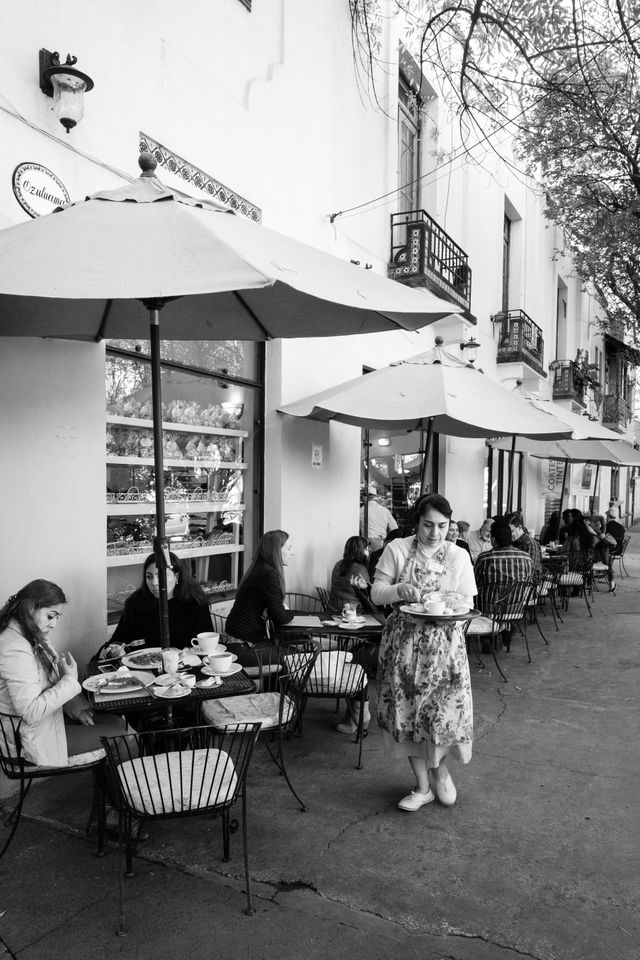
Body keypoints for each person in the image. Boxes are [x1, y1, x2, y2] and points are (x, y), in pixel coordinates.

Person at [371, 493, 476, 811]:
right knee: (408, 714)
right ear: (416, 522)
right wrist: (398, 590)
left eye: (442, 526)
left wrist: (456, 602)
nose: (435, 533)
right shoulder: (398, 549)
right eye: (428, 525)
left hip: (444, 650)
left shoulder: (458, 556)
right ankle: (422, 786)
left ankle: (440, 771)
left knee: (441, 714)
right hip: (404, 647)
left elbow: (468, 602)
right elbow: (376, 593)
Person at [0, 580, 127, 767]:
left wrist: (76, 709)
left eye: (57, 617)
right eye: (51, 616)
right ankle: (122, 795)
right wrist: (69, 681)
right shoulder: (14, 648)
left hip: (46, 724)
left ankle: (110, 794)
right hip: (28, 740)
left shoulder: (31, 635)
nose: (54, 624)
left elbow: (50, 684)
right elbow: (30, 712)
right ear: (29, 608)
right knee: (121, 737)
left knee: (116, 723)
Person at [109, 553, 213, 649]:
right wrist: (113, 650)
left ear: (176, 577)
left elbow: (207, 645)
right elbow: (118, 640)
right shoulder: (136, 603)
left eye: (161, 576)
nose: (154, 583)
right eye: (149, 577)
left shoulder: (195, 602)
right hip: (140, 666)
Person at [225, 530, 294, 666]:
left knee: (293, 651)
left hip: (238, 640)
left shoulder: (260, 568)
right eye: (288, 548)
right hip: (244, 646)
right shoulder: (268, 574)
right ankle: (276, 687)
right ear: (276, 551)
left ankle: (274, 687)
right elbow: (280, 617)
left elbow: (273, 612)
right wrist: (292, 614)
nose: (292, 552)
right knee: (299, 656)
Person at [328, 536, 371, 614]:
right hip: (353, 610)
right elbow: (370, 596)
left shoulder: (338, 564)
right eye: (367, 549)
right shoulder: (361, 569)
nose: (368, 553)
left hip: (333, 607)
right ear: (361, 551)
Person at [505, 511, 542, 580]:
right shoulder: (514, 542)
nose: (508, 535)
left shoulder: (530, 544)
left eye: (511, 531)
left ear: (519, 527)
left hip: (528, 584)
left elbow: (532, 572)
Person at [359, 486, 398, 551]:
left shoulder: (361, 510)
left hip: (365, 543)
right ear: (375, 497)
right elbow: (394, 529)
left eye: (362, 496)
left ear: (366, 497)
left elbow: (354, 527)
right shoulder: (385, 511)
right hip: (381, 542)